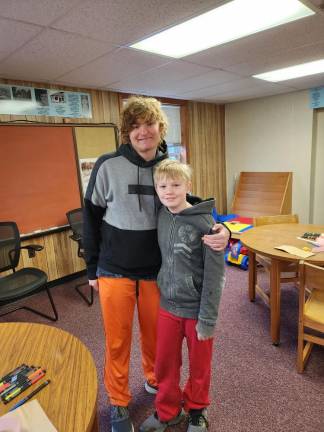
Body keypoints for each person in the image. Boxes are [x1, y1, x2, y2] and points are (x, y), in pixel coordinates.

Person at [83, 96, 230, 432]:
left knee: (157, 343)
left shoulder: (167, 167)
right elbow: (90, 220)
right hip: (114, 269)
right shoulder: (107, 166)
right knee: (117, 341)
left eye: (148, 124)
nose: (142, 131)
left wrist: (225, 229)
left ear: (160, 128)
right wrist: (91, 268)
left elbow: (192, 206)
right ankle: (119, 402)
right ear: (126, 133)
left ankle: (155, 384)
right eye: (134, 126)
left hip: (158, 274)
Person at [139, 159, 225, 432]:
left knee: (200, 366)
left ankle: (197, 409)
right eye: (162, 186)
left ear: (188, 186)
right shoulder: (162, 215)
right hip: (167, 307)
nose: (169, 191)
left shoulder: (206, 224)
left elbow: (215, 275)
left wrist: (208, 319)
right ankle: (167, 411)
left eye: (176, 185)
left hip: (197, 310)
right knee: (164, 364)